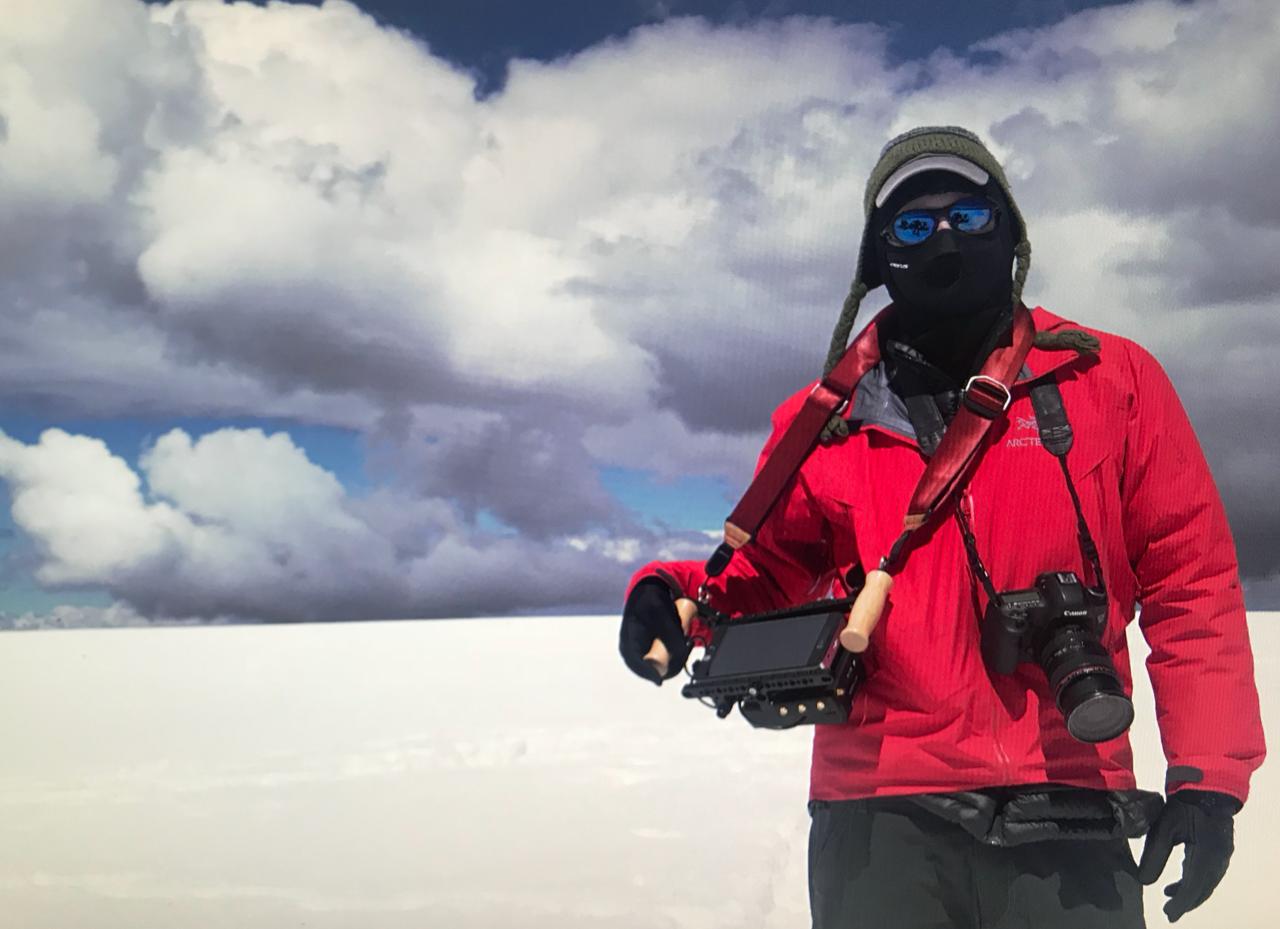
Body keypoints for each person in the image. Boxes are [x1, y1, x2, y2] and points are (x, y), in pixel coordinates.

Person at [618, 126, 1265, 928]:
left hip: (1071, 790)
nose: (946, 236)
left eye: (971, 215)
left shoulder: (1110, 379)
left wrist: (1208, 777)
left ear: (1013, 235)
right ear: (875, 260)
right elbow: (769, 573)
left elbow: (1189, 582)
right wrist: (673, 595)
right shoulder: (823, 421)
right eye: (914, 227)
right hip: (879, 812)